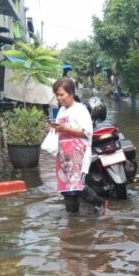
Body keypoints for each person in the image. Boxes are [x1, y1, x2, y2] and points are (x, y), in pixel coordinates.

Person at [50, 77, 106, 215]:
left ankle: (99, 203)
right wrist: (53, 129)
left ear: (71, 94)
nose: (59, 98)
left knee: (77, 185)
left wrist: (65, 129)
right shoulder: (61, 111)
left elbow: (87, 133)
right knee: (66, 189)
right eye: (57, 95)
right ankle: (73, 218)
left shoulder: (80, 109)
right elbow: (61, 130)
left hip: (78, 155)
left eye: (61, 94)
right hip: (63, 155)